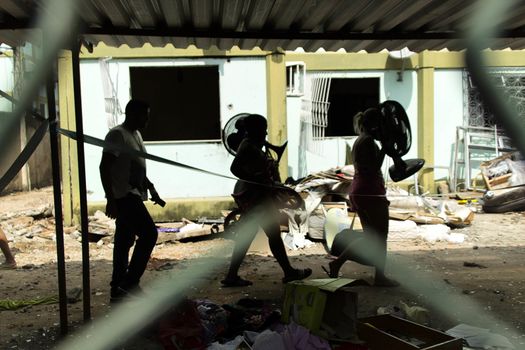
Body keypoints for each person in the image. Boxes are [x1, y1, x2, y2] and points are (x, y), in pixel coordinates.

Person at [221, 114, 312, 287]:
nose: (266, 132)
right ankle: (288, 272)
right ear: (254, 130)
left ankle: (232, 276)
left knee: (258, 236)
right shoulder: (247, 146)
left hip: (259, 196)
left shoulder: (252, 144)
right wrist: (253, 178)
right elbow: (235, 168)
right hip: (256, 197)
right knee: (272, 235)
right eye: (263, 129)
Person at [324, 107, 399, 287]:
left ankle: (337, 263)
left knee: (371, 237)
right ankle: (379, 277)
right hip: (369, 191)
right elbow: (372, 167)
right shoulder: (366, 141)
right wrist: (385, 150)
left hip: (363, 189)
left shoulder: (362, 140)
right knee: (379, 238)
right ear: (374, 125)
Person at [99, 99, 164, 302]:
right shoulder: (117, 135)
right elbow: (104, 167)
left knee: (124, 241)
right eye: (145, 115)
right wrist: (111, 199)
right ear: (132, 114)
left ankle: (118, 289)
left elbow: (136, 167)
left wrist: (151, 188)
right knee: (149, 234)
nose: (147, 120)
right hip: (123, 196)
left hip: (134, 193)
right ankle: (129, 284)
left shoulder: (135, 135)